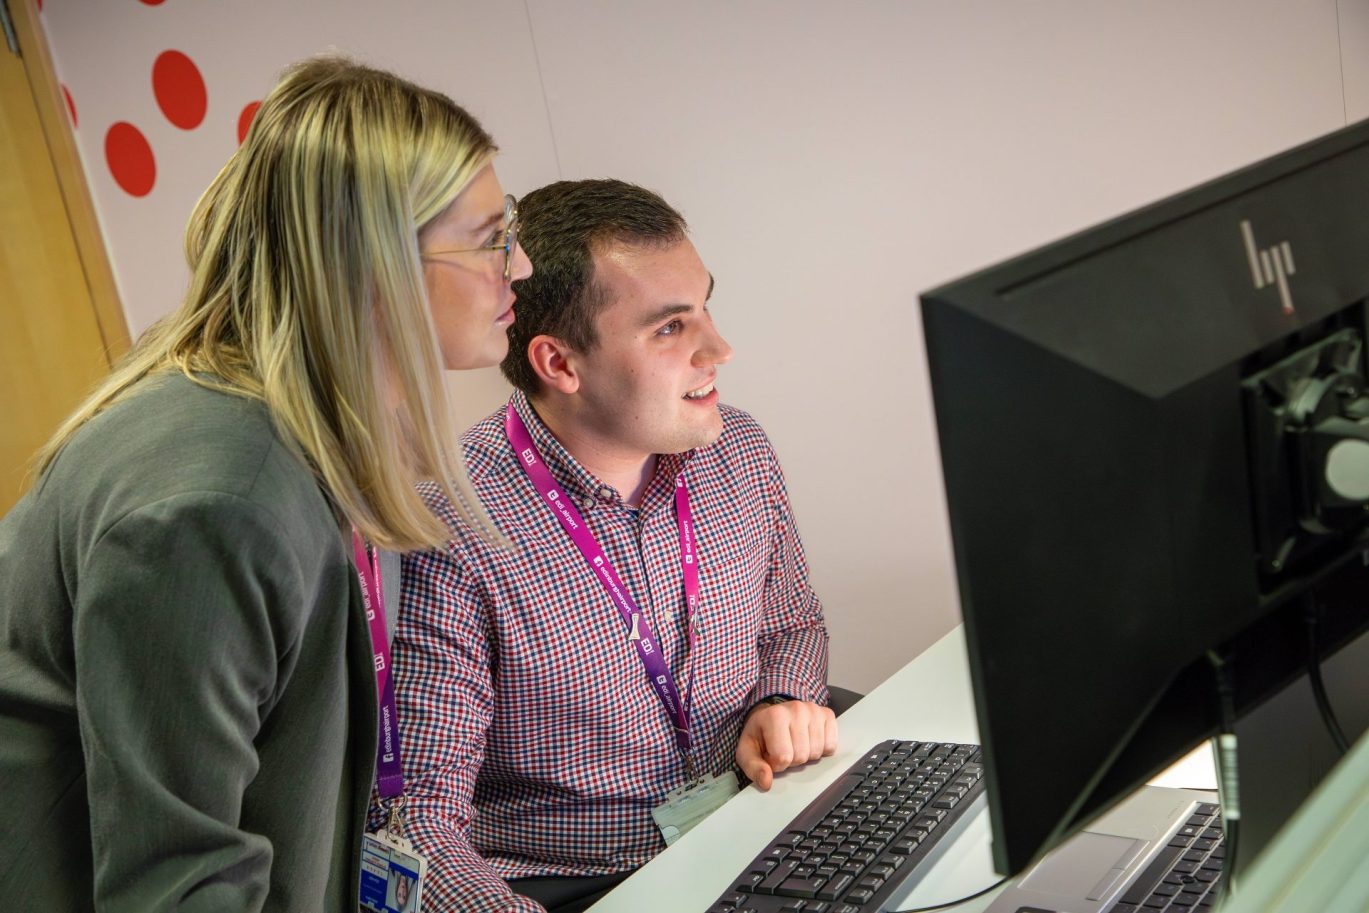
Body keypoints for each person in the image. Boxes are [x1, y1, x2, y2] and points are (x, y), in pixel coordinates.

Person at [0, 56, 530, 912]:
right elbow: (177, 888)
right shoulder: (217, 503)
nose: (523, 266)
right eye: (491, 238)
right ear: (374, 262)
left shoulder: (283, 416)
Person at [385, 178, 835, 912]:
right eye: (669, 329)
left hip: (753, 821)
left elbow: (791, 623)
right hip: (583, 879)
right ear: (559, 364)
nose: (718, 349)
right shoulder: (446, 531)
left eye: (704, 308)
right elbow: (416, 825)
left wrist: (786, 697)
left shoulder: (738, 447)